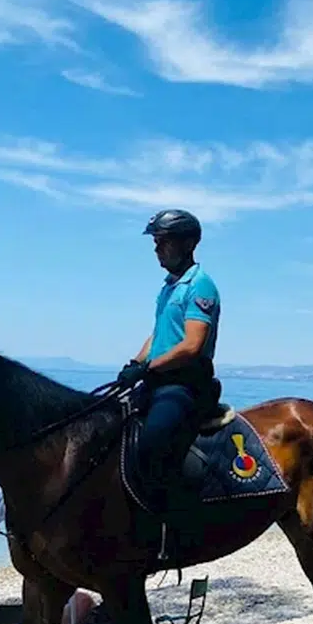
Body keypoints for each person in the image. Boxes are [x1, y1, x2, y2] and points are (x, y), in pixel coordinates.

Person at [115, 209, 222, 546]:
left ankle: (169, 526)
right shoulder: (169, 287)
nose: (156, 248)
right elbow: (159, 333)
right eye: (156, 242)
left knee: (153, 442)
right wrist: (134, 363)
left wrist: (147, 368)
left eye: (163, 241)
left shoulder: (200, 285)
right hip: (158, 380)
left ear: (188, 243)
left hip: (185, 384)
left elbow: (191, 345)